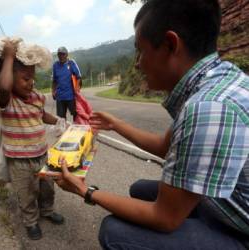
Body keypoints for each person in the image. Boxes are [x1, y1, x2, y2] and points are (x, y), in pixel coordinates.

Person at [49, 0, 249, 249]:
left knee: (114, 232)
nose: (137, 63)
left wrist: (85, 191)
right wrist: (116, 124)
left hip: (239, 229)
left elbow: (165, 218)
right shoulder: (218, 79)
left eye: (140, 50)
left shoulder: (207, 108)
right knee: (140, 189)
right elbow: (165, 147)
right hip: (222, 201)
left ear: (170, 44)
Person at [0, 41, 65, 241]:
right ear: (11, 78)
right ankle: (31, 221)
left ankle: (47, 210)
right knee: (26, 193)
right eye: (25, 78)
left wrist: (59, 121)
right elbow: (3, 86)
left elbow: (42, 115)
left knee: (47, 187)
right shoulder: (6, 99)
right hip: (18, 160)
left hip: (42, 154)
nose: (31, 83)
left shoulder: (36, 97)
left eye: (33, 78)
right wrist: (9, 57)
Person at [52, 46, 82, 121]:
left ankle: (77, 128)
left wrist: (77, 88)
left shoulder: (71, 63)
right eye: (59, 54)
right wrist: (53, 91)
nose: (61, 56)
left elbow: (79, 77)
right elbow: (54, 80)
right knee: (61, 118)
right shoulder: (55, 65)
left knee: (76, 114)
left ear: (66, 54)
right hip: (60, 97)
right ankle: (63, 131)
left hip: (70, 96)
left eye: (63, 54)